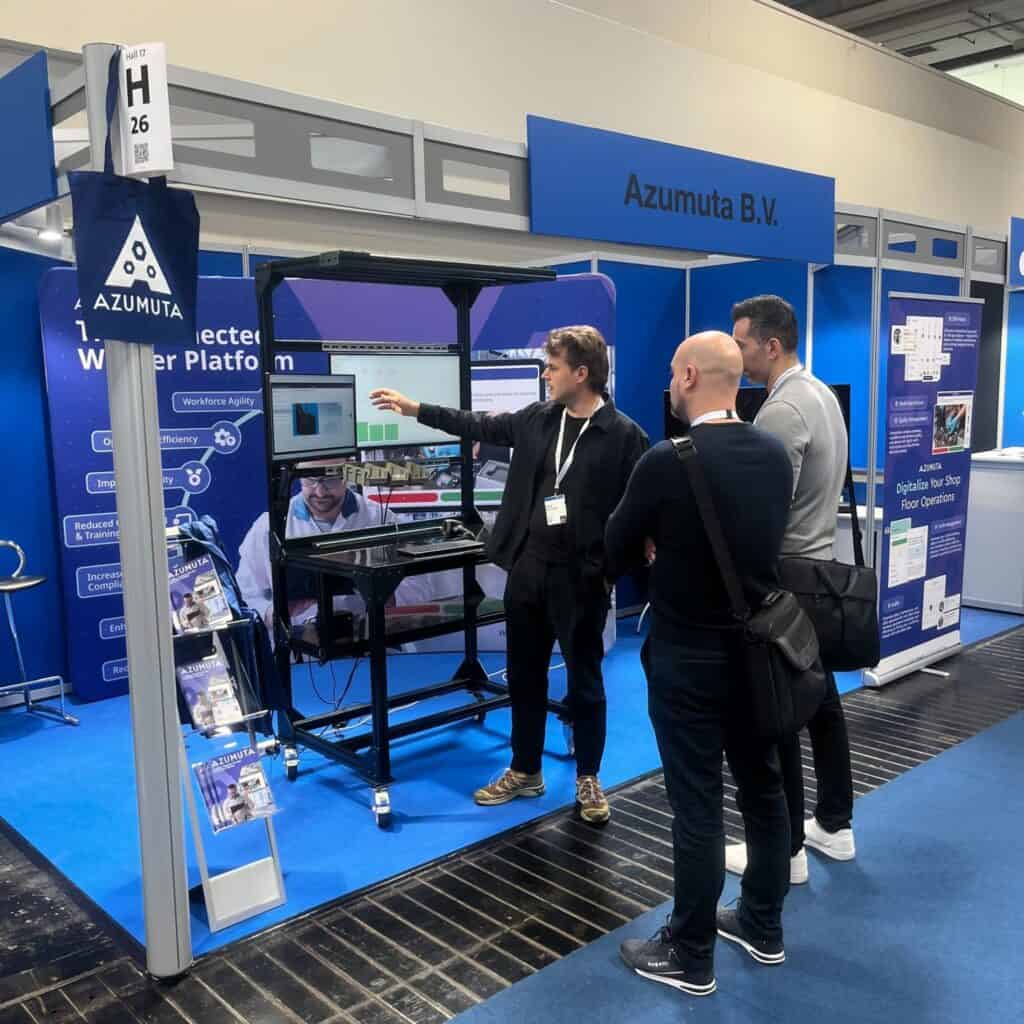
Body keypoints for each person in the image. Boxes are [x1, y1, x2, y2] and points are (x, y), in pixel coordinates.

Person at [370, 325, 647, 824]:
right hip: (528, 570)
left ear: (581, 373)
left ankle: (588, 777)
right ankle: (525, 770)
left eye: (554, 367)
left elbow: (638, 515)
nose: (546, 375)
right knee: (524, 675)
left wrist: (607, 571)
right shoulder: (538, 419)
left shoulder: (625, 436)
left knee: (585, 682)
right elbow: (477, 424)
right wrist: (416, 410)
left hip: (581, 580)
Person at [607, 331, 794, 995]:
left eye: (671, 372)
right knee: (764, 788)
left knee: (697, 804)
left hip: (687, 657)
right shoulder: (774, 454)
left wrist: (655, 543)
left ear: (688, 376)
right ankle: (763, 925)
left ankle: (690, 953)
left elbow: (615, 547)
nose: (669, 384)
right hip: (759, 654)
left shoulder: (666, 460)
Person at [730, 294, 856, 883]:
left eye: (742, 344)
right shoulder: (821, 394)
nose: (737, 355)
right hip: (818, 575)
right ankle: (834, 825)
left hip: (785, 582)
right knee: (822, 703)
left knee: (778, 715)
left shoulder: (782, 411)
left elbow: (764, 511)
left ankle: (785, 853)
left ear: (771, 345)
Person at [236, 475, 432, 628]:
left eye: (330, 480)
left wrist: (387, 597)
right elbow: (244, 597)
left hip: (367, 647)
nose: (320, 492)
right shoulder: (268, 527)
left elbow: (420, 587)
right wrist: (274, 614)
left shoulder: (381, 519)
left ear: (347, 474)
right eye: (310, 480)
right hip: (298, 654)